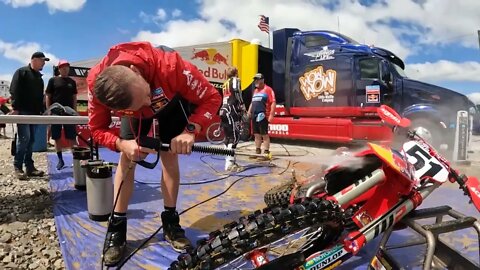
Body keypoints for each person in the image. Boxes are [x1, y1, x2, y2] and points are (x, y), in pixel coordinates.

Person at [87, 41, 221, 266]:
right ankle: (117, 226)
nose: (148, 104)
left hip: (170, 102)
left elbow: (212, 98)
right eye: (142, 104)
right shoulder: (97, 84)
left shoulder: (171, 66)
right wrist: (121, 143)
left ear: (136, 72)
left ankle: (170, 221)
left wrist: (191, 130)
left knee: (170, 156)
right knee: (128, 158)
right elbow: (97, 128)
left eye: (148, 95)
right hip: (133, 107)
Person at [9, 52, 48, 180]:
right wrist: (15, 108)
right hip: (23, 112)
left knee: (31, 141)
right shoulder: (21, 72)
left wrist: (42, 111)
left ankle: (30, 167)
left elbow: (40, 97)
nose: (44, 63)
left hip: (35, 113)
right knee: (24, 139)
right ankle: (18, 167)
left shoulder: (40, 78)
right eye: (42, 60)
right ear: (34, 60)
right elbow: (14, 89)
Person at [45, 60, 78, 170]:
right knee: (57, 136)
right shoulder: (53, 80)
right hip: (55, 111)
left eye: (67, 67)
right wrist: (49, 110)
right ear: (59, 69)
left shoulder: (72, 82)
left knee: (72, 137)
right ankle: (60, 160)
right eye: (63, 67)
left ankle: (76, 160)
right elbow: (48, 96)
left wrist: (75, 111)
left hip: (69, 113)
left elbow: (74, 97)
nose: (65, 69)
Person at [220, 67, 245, 171]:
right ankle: (230, 164)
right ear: (236, 73)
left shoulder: (225, 83)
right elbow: (237, 92)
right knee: (235, 137)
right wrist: (242, 104)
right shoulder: (235, 80)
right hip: (231, 110)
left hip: (223, 109)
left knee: (227, 137)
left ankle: (229, 162)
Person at [247, 73, 276, 155]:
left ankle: (266, 150)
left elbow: (273, 102)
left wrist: (271, 115)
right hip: (254, 115)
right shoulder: (255, 91)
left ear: (262, 80)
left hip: (263, 115)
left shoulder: (268, 89)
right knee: (256, 134)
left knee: (264, 134)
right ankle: (258, 149)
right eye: (255, 80)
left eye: (258, 79)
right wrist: (249, 111)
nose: (256, 81)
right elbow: (252, 103)